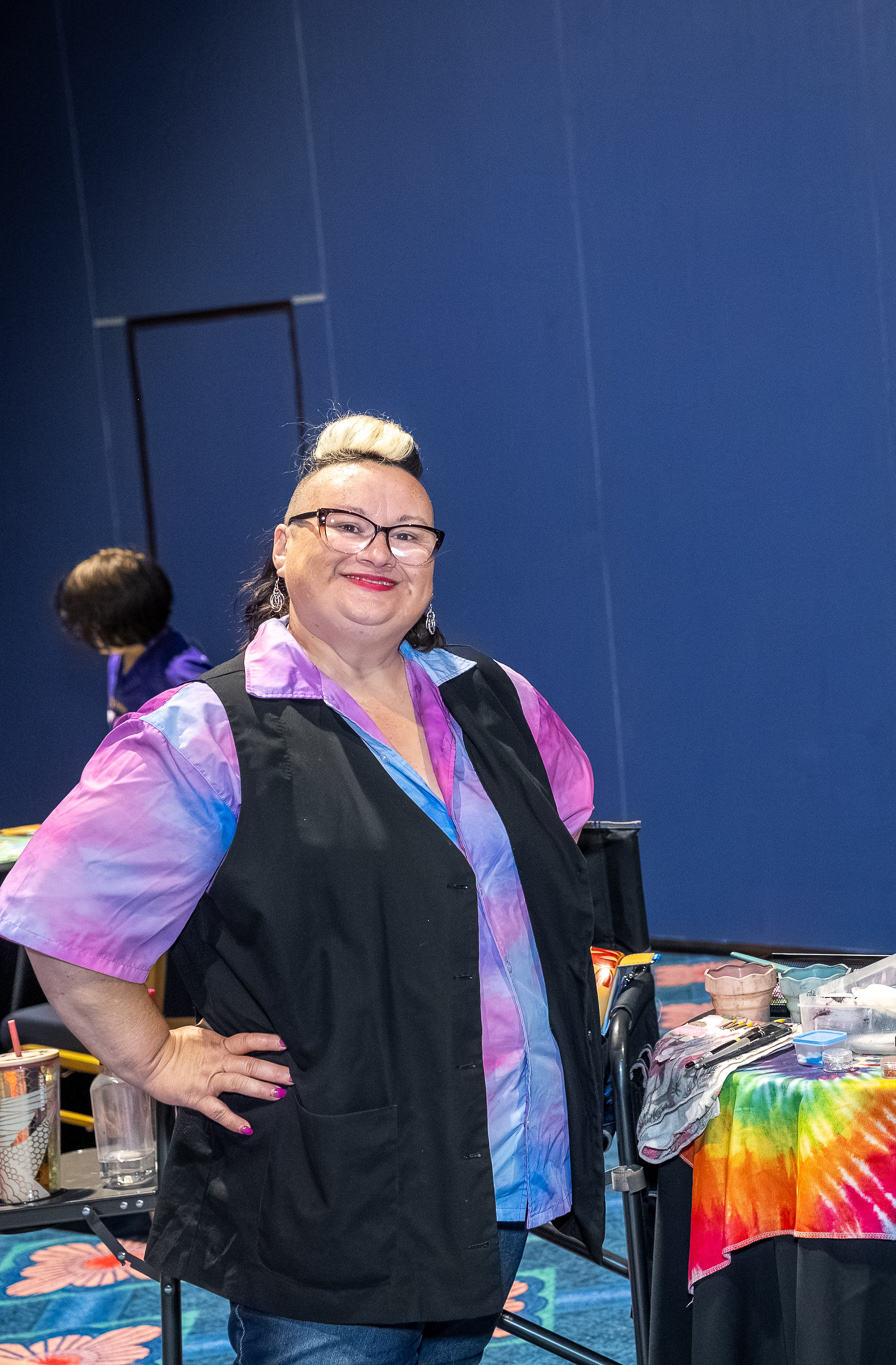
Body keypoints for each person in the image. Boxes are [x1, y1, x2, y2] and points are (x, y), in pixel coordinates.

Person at [0, 414, 604, 1364]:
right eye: (345, 525)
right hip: (326, 1203)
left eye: (407, 533)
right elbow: (58, 910)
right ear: (284, 547)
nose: (378, 551)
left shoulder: (498, 699)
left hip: (492, 1174)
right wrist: (156, 1057)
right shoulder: (207, 730)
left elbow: (554, 835)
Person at [54, 548, 212, 724]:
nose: (88, 632)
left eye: (94, 622)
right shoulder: (118, 656)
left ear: (121, 621)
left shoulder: (182, 672)